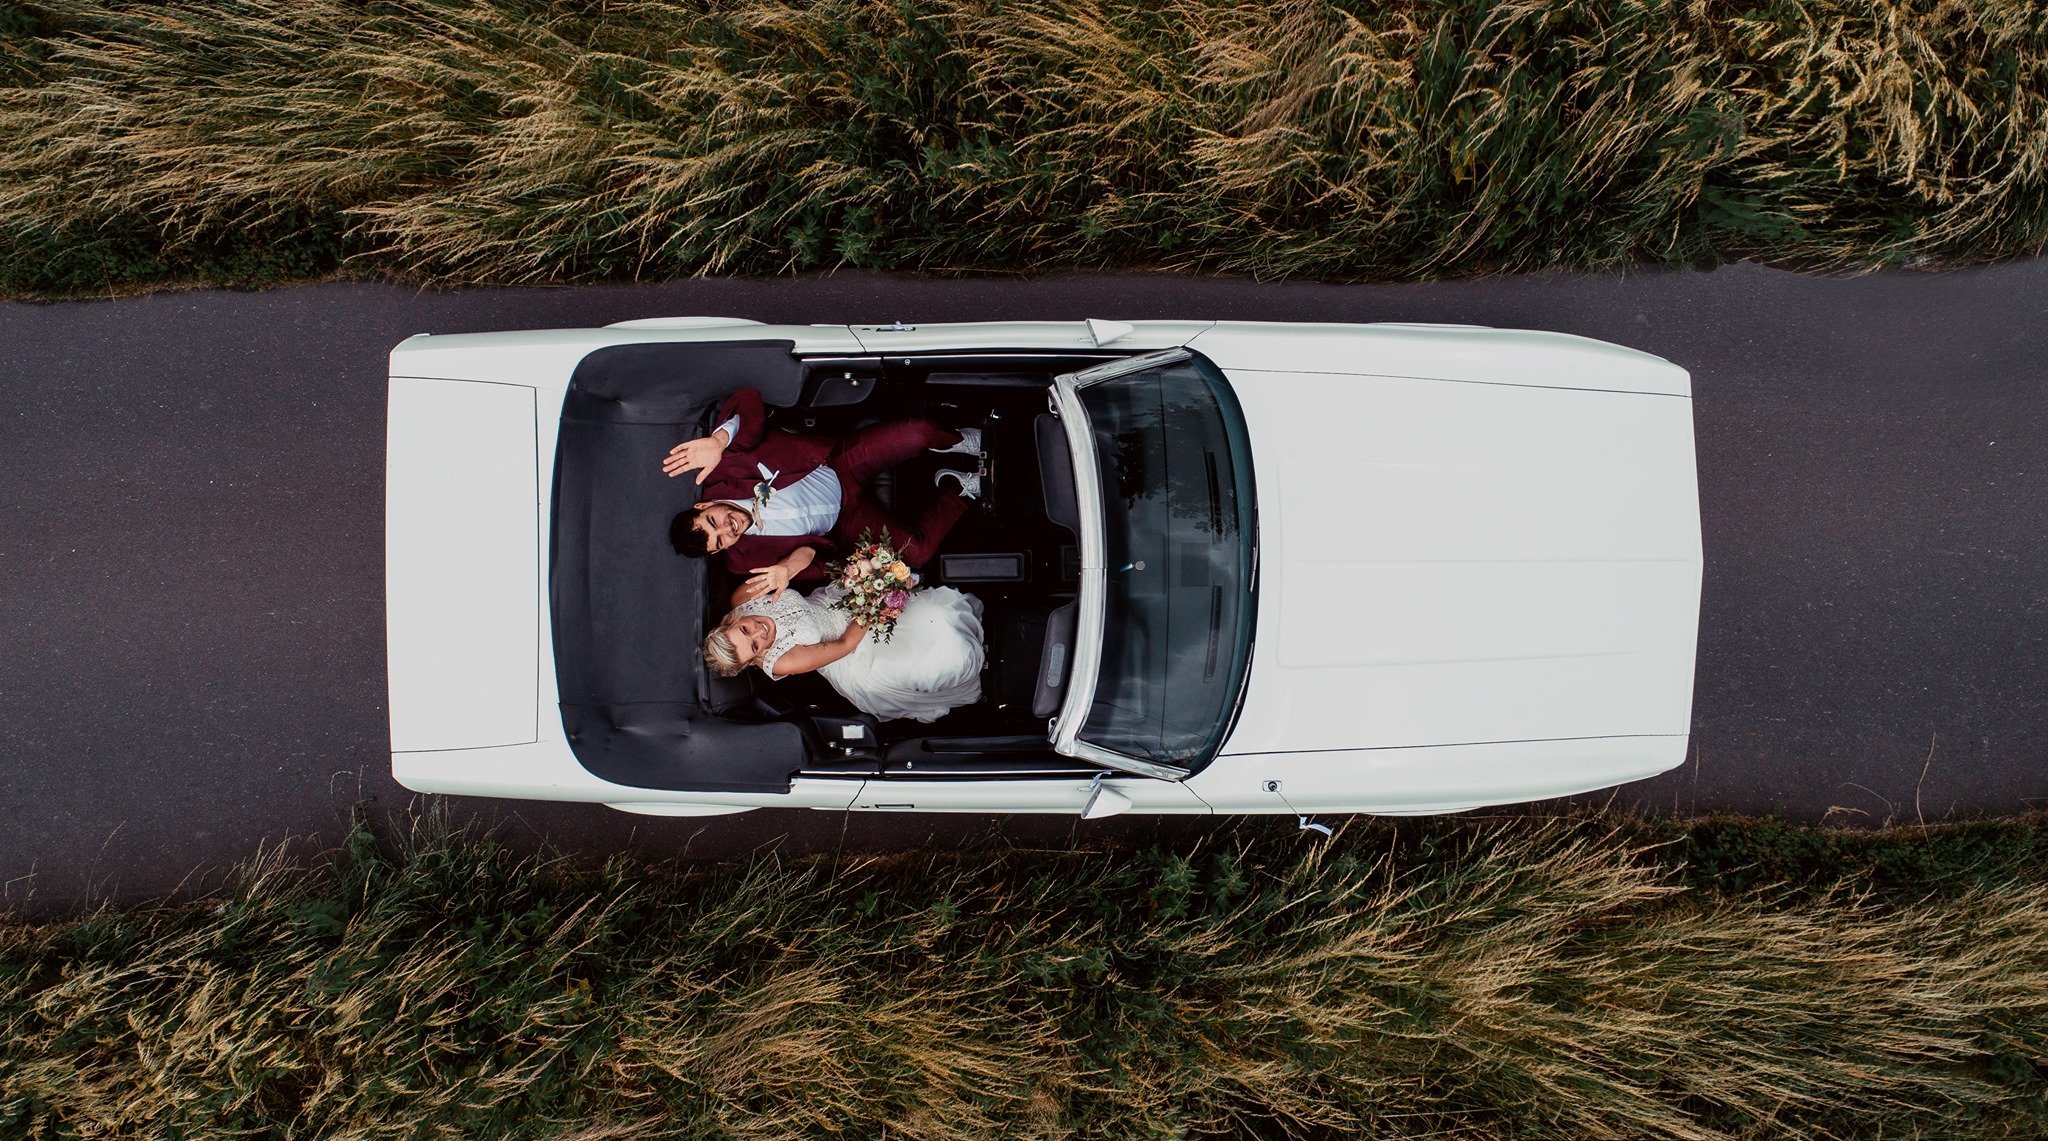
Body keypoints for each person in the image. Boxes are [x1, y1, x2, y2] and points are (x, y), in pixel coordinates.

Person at [665, 386, 985, 603]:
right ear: (718, 551)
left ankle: (956, 441)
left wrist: (719, 440)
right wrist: (788, 569)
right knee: (917, 553)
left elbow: (749, 401)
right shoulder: (743, 562)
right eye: (720, 541)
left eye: (713, 521)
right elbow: (814, 558)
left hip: (837, 464)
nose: (728, 529)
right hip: (843, 520)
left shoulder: (724, 470)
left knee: (918, 433)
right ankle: (953, 487)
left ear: (703, 504)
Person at [703, 580, 986, 723]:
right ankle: (980, 665)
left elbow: (804, 555)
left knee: (937, 613)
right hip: (852, 649)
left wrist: (785, 569)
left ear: (731, 620)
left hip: (839, 601)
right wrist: (873, 601)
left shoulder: (742, 600)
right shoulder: (781, 662)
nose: (759, 632)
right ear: (754, 659)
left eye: (745, 630)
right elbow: (845, 645)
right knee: (943, 658)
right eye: (755, 646)